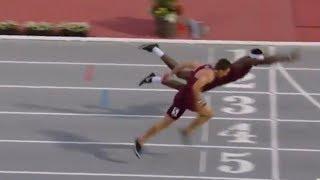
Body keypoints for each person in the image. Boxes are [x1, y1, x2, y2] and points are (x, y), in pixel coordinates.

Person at [134, 58, 232, 159]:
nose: (226, 75)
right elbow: (195, 88)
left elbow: (185, 63)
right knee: (209, 114)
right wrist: (199, 102)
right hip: (190, 100)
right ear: (220, 70)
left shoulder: (205, 66)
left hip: (181, 96)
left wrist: (171, 73)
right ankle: (187, 130)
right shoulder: (210, 76)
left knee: (166, 122)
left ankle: (141, 140)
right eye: (226, 72)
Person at [138, 43, 299, 91]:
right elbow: (268, 61)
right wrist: (287, 57)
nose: (260, 62)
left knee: (181, 75)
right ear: (256, 59)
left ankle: (156, 50)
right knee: (184, 87)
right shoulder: (248, 62)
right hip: (211, 78)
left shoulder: (247, 60)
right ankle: (155, 77)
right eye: (259, 60)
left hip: (213, 76)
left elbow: (265, 60)